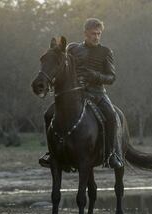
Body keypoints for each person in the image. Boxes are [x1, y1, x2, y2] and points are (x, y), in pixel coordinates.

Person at [39, 18, 123, 169]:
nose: (96, 37)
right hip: (75, 94)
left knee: (111, 116)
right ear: (85, 33)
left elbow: (112, 77)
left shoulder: (106, 52)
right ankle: (52, 153)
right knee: (48, 114)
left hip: (98, 94)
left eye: (99, 34)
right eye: (93, 34)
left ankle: (111, 155)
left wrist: (95, 75)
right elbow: (61, 66)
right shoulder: (72, 48)